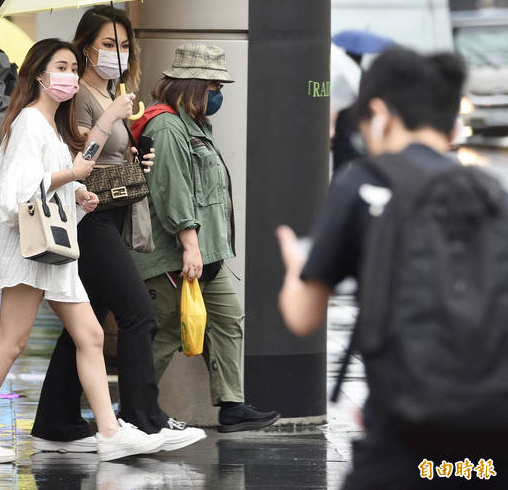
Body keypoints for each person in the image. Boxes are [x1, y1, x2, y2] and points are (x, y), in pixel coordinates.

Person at [277, 48, 508, 489]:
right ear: (451, 121)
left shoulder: (365, 182)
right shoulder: (492, 194)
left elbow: (303, 315)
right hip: (493, 443)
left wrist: (294, 268)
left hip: (403, 442)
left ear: (379, 113)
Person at [0, 38, 164, 463]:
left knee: (91, 334)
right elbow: (15, 195)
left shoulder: (48, 125)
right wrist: (71, 174)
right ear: (38, 76)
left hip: (52, 248)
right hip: (29, 249)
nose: (69, 76)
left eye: (72, 67)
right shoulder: (30, 122)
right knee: (11, 342)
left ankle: (109, 431)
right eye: (61, 68)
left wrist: (79, 191)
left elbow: (50, 183)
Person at [31, 6, 206, 453]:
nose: (118, 53)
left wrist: (133, 161)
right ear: (86, 46)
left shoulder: (113, 94)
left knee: (86, 324)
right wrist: (112, 121)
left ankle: (56, 422)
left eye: (125, 45)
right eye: (109, 44)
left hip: (108, 213)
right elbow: (81, 164)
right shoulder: (81, 96)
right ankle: (144, 418)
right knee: (137, 314)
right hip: (88, 219)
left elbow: (108, 162)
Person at [129, 43, 280, 432]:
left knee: (228, 322)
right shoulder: (165, 125)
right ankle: (132, 413)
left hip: (208, 254)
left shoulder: (194, 125)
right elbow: (171, 190)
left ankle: (232, 405)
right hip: (176, 256)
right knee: (163, 334)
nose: (219, 94)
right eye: (214, 85)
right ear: (194, 86)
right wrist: (190, 245)